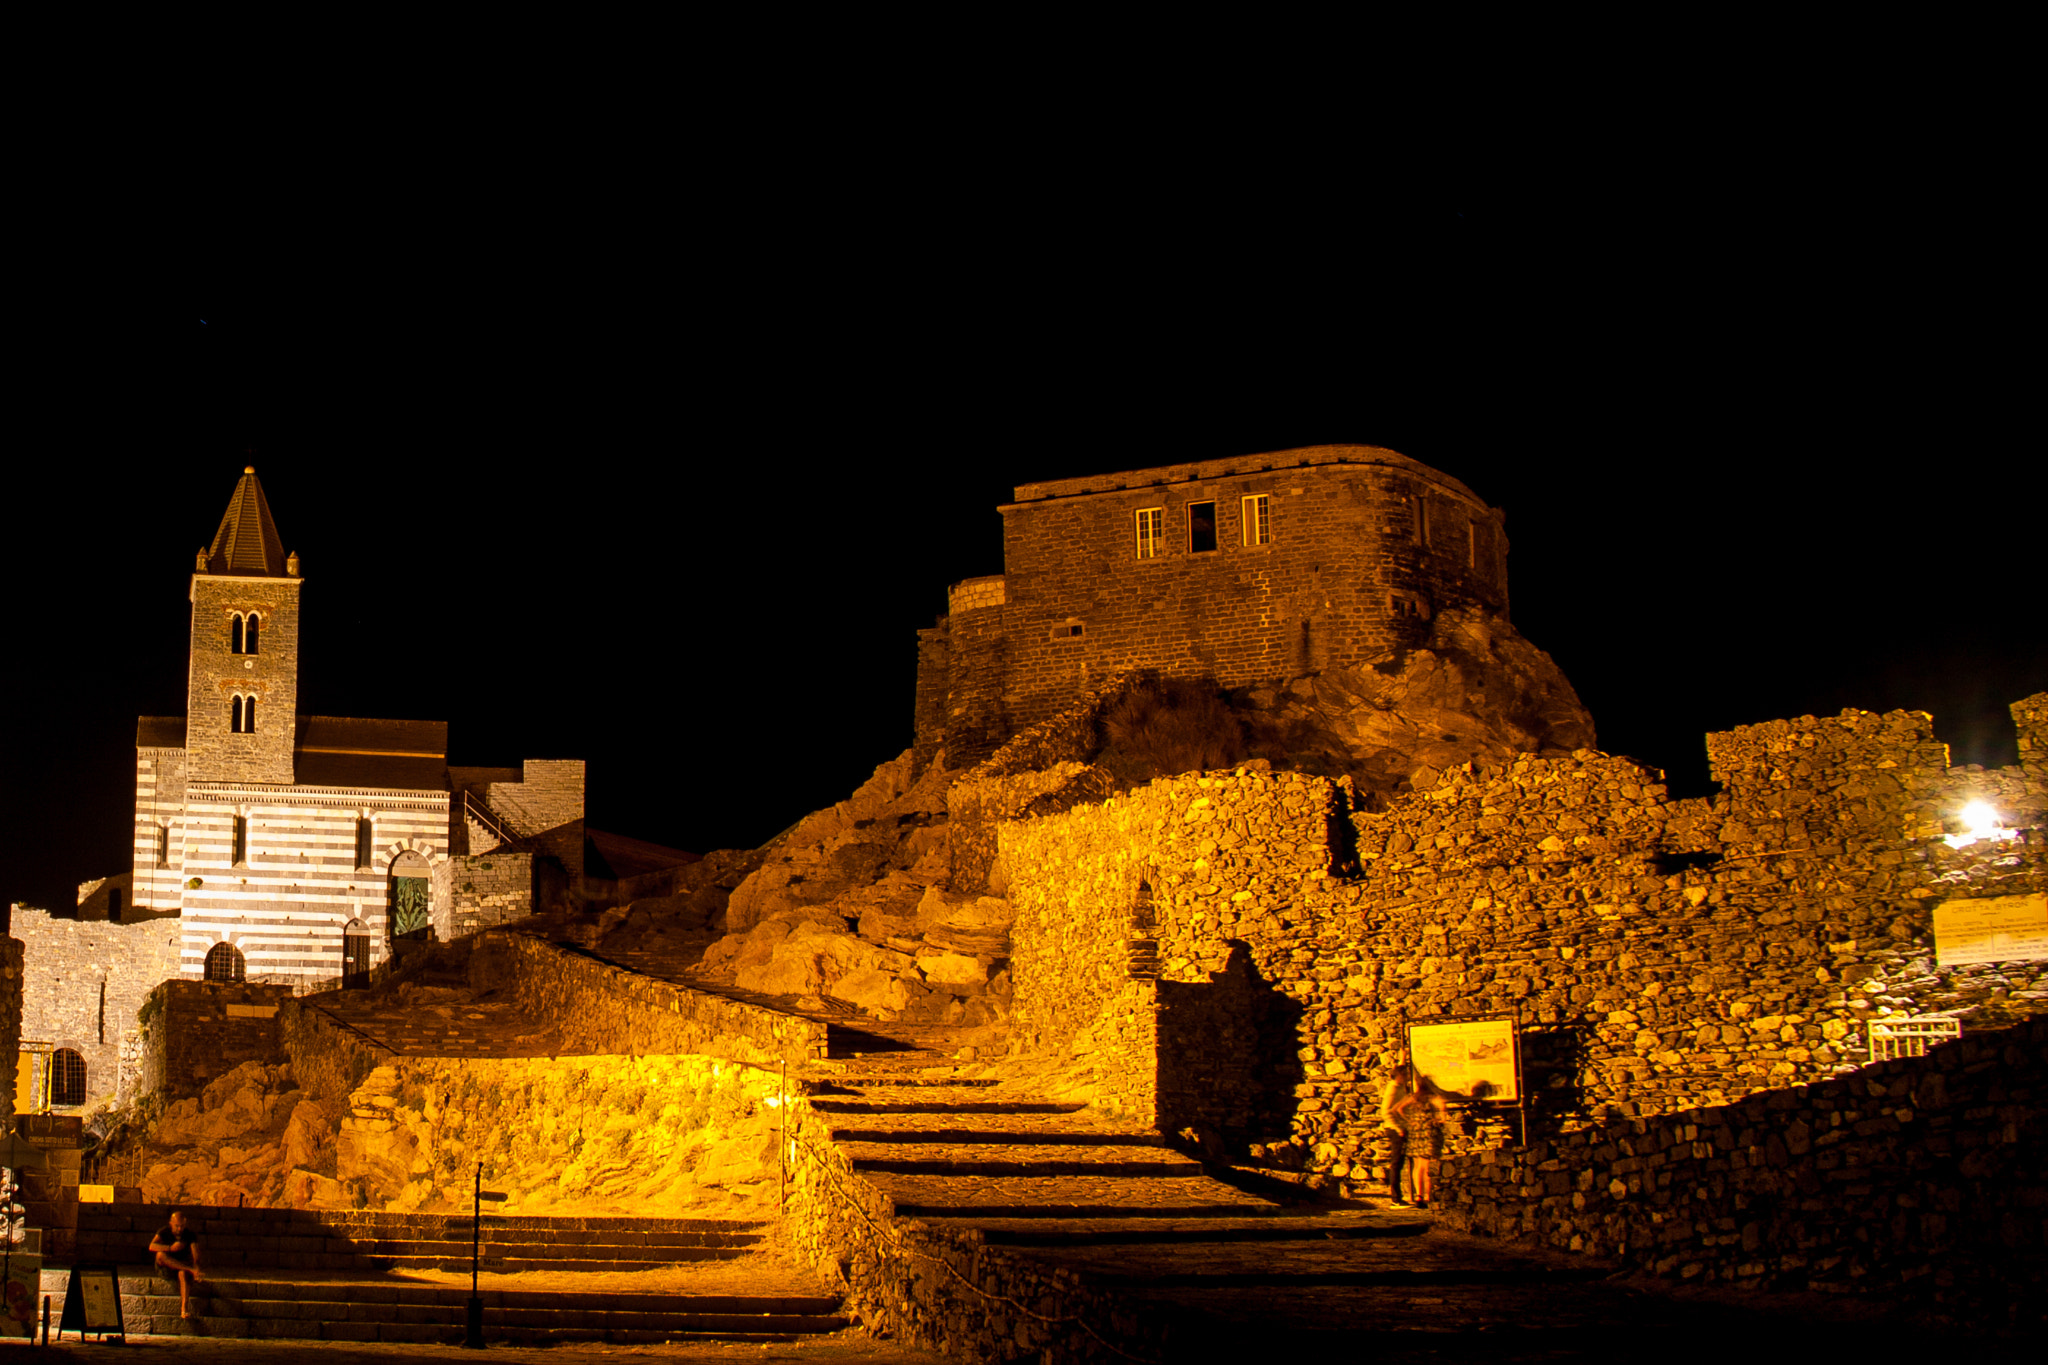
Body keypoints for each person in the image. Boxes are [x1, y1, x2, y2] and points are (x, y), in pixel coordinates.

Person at [1390, 1069, 1451, 1208]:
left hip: (1416, 1132)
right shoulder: (1432, 1097)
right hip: (1429, 1132)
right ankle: (1428, 1196)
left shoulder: (1413, 1097)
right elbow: (1442, 1108)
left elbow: (1397, 1109)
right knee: (1427, 1166)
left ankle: (1419, 1195)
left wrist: (1409, 1121)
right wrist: (1440, 1119)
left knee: (1418, 1166)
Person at [148, 1210, 205, 1319]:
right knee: (160, 1255)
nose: (179, 1229)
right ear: (171, 1223)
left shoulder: (189, 1235)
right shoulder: (164, 1231)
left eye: (182, 1226)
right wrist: (170, 1248)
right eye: (177, 1226)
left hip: (181, 1265)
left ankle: (184, 1307)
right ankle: (189, 1269)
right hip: (166, 1266)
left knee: (183, 1274)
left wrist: (197, 1267)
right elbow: (152, 1246)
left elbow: (195, 1253)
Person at [1377, 1062, 1414, 1206]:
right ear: (1399, 1076)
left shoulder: (1399, 1087)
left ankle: (1398, 1196)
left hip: (1400, 1128)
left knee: (1400, 1162)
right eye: (1405, 1075)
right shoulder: (1392, 1089)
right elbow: (1386, 1111)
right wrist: (1398, 1128)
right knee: (1396, 1162)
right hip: (1395, 1129)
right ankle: (1395, 1198)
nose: (1407, 1077)